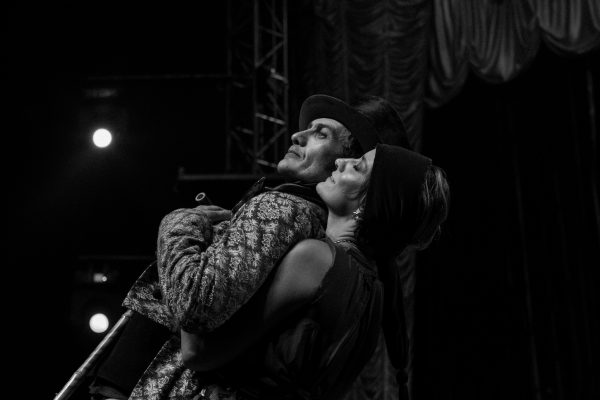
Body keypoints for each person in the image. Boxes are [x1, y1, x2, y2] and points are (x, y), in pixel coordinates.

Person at [88, 94, 412, 400]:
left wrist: (179, 224)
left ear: (350, 162)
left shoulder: (286, 209)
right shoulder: (364, 274)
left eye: (321, 134)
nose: (298, 135)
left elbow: (197, 312)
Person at [129, 143, 449, 399]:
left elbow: (197, 349)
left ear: (369, 203)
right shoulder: (374, 290)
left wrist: (187, 229)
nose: (341, 162)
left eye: (358, 167)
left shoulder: (317, 258)